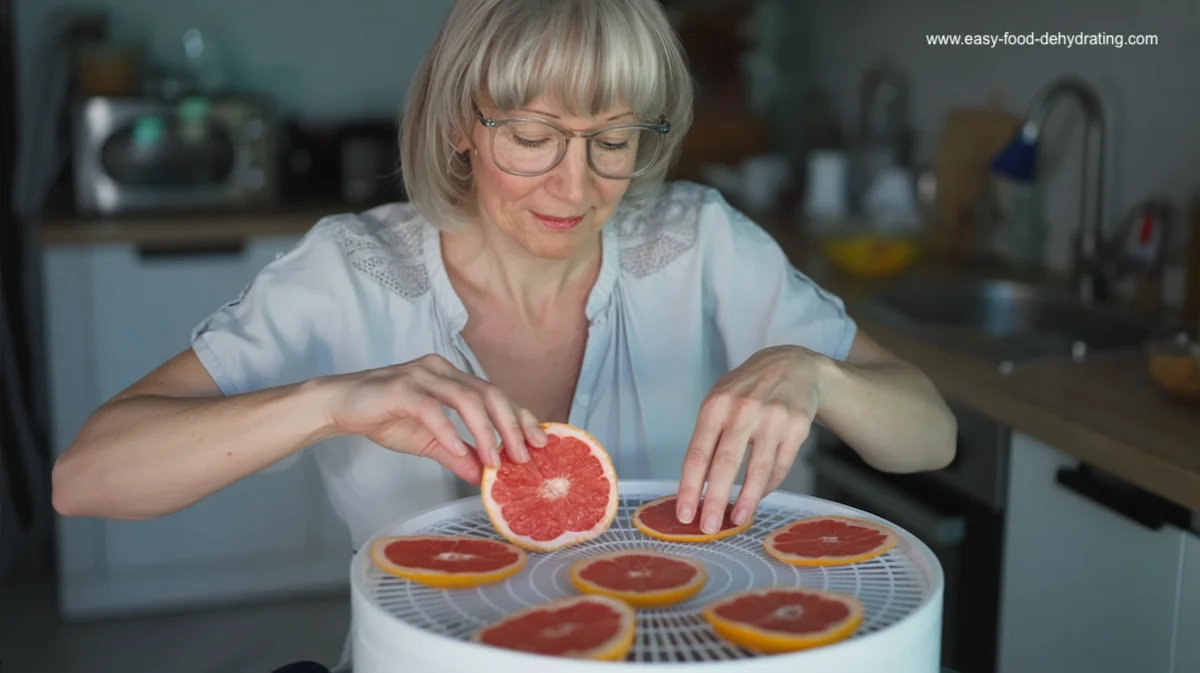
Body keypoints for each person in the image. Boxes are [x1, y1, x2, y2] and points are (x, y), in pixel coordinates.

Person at [52, 0, 955, 561]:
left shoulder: (704, 244)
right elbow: (87, 478)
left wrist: (820, 375)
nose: (577, 184)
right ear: (461, 124)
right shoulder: (350, 272)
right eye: (532, 136)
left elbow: (933, 434)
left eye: (613, 139)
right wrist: (330, 401)